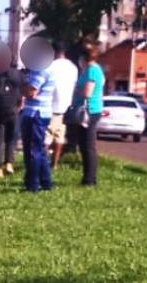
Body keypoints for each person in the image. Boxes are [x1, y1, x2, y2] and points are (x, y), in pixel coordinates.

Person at [70, 43, 105, 186]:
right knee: (83, 144)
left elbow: (87, 92)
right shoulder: (88, 70)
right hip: (87, 110)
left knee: (88, 145)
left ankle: (90, 179)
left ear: (83, 57)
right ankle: (87, 176)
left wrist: (76, 89)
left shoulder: (92, 71)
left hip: (89, 111)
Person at [21, 61, 55, 192]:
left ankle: (32, 183)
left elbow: (30, 92)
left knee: (32, 150)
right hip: (41, 112)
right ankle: (45, 181)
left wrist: (22, 86)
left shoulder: (41, 70)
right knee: (40, 150)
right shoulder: (43, 68)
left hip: (35, 113)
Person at [46, 41, 79, 170]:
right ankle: (54, 163)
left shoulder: (49, 66)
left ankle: (43, 162)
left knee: (46, 138)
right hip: (67, 108)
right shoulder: (73, 67)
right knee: (60, 137)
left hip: (50, 106)